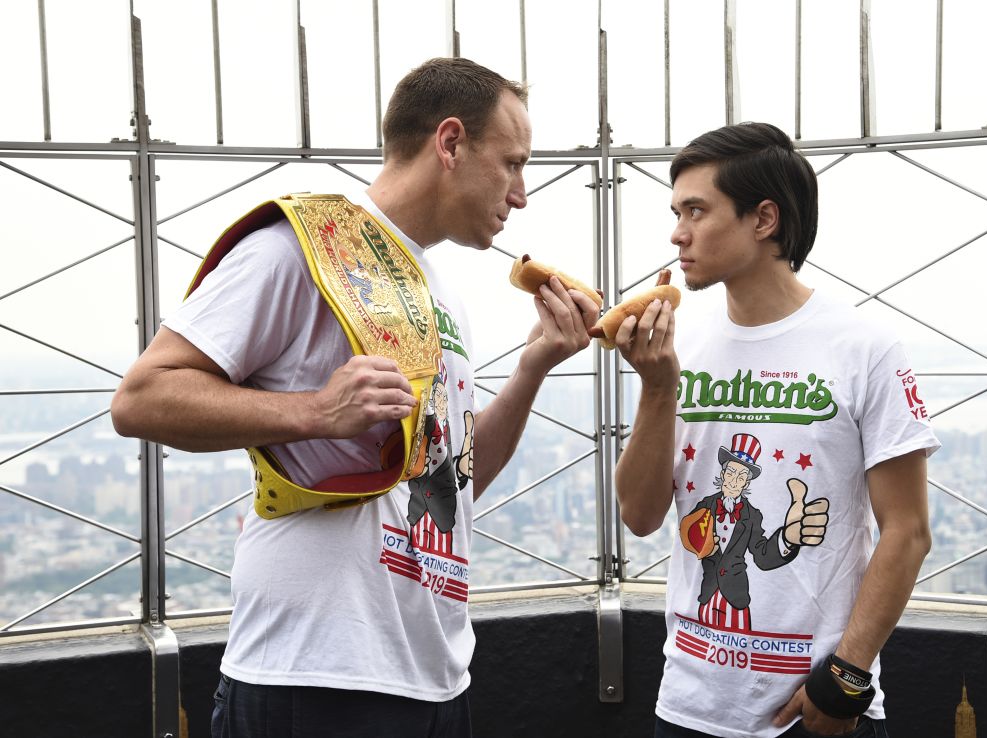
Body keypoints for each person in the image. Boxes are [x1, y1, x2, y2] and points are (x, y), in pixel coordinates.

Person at [111, 57, 599, 738]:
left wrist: (533, 367)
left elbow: (452, 483)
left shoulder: (438, 289)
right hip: (315, 675)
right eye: (512, 163)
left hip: (432, 675)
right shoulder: (302, 247)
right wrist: (313, 411)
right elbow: (141, 397)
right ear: (450, 143)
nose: (520, 194)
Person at [613, 122, 939, 738]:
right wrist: (658, 388)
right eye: (676, 211)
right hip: (688, 705)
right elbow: (639, 513)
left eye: (696, 210)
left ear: (763, 219)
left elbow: (908, 530)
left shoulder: (865, 348)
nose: (677, 232)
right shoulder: (687, 344)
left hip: (814, 711)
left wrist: (845, 677)